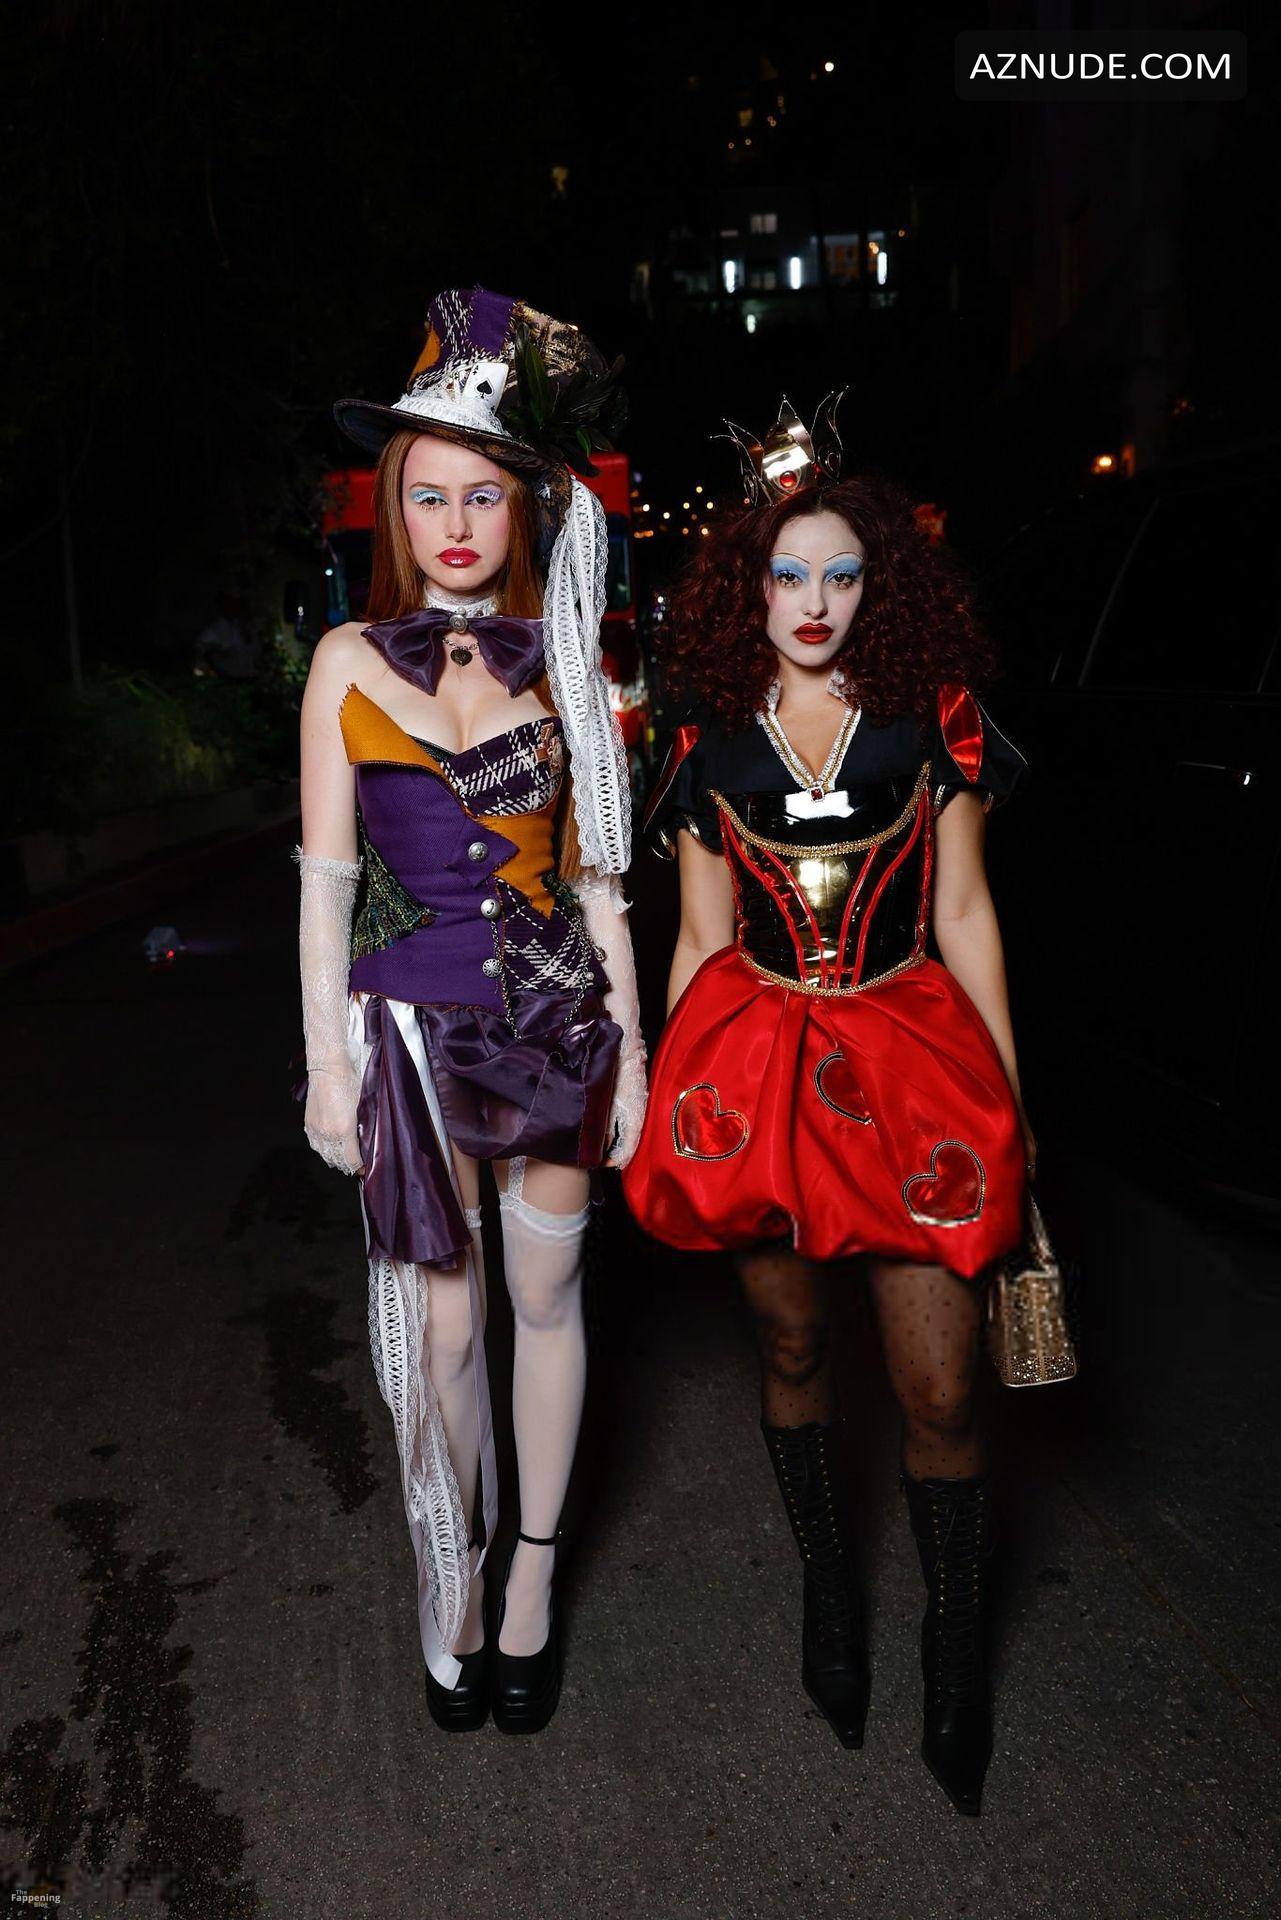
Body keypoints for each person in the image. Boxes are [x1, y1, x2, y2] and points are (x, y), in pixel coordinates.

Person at [622, 397, 1032, 1815]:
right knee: (793, 1348)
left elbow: (964, 912)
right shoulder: (705, 736)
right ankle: (828, 1590)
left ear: (879, 581)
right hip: (756, 1074)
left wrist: (1011, 1109)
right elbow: (696, 937)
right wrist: (670, 1100)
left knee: (942, 1388)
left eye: (841, 574)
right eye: (787, 573)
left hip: (914, 1063)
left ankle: (954, 1645)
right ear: (747, 583)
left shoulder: (937, 722)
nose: (813, 602)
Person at [295, 286, 646, 1735]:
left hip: (555, 1026)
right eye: (428, 493)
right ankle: (453, 1566)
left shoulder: (570, 666)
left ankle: (531, 1581)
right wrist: (326, 1068)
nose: (454, 522)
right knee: (442, 1337)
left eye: (483, 494)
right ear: (393, 504)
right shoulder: (342, 662)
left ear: (525, 508)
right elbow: (325, 884)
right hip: (409, 1037)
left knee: (548, 1304)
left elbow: (603, 880)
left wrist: (638, 1054)